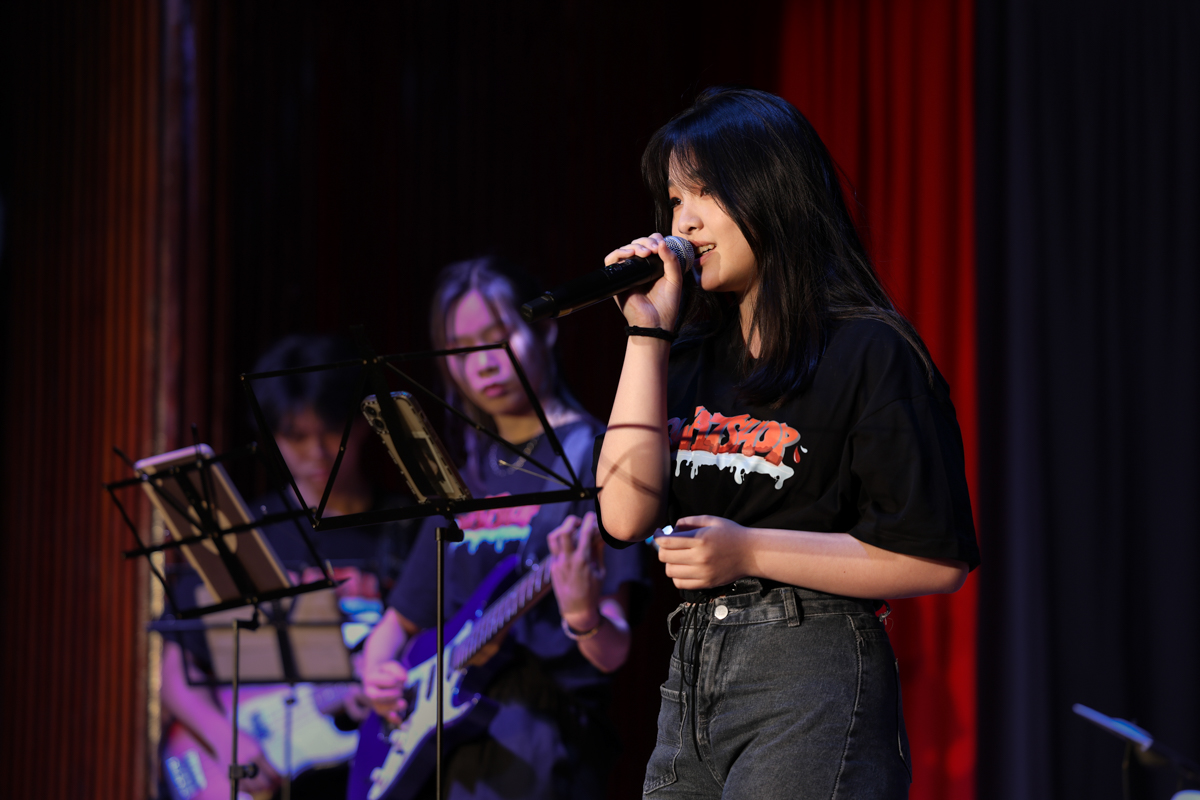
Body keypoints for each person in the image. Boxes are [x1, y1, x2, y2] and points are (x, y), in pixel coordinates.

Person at [595, 87, 981, 800]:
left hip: (811, 671)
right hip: (692, 672)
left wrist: (748, 551)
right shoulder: (683, 355)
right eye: (675, 200)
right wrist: (647, 335)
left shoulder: (870, 351)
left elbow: (933, 557)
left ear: (773, 191)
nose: (684, 223)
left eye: (706, 193)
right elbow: (622, 516)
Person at [361, 257, 648, 800]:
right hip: (445, 751)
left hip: (542, 743)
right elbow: (397, 624)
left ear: (544, 329)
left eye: (498, 336)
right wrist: (376, 672)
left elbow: (612, 651)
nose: (484, 363)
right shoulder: (460, 478)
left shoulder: (599, 459)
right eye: (463, 349)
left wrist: (583, 615)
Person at [159, 334, 420, 800]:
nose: (317, 451)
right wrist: (226, 740)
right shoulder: (243, 533)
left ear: (361, 424)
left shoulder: (410, 531)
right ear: (272, 438)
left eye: (331, 429)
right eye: (296, 437)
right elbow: (179, 665)